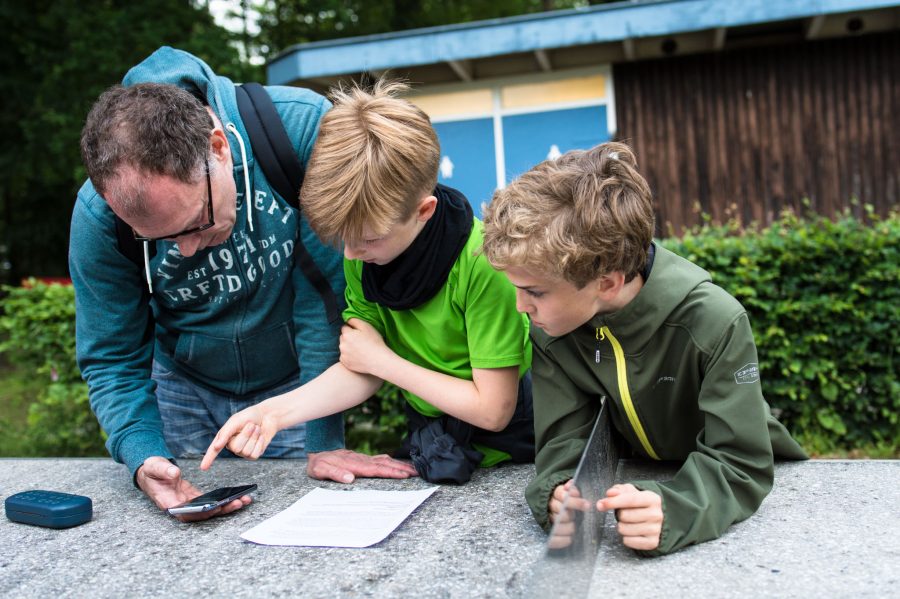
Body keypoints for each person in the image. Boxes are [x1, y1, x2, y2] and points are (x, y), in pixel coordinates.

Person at [71, 47, 415, 521]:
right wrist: (143, 454)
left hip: (293, 386)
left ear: (218, 148)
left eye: (195, 222)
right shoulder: (97, 216)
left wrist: (323, 440)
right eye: (159, 240)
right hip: (181, 388)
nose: (187, 250)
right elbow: (111, 354)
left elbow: (326, 299)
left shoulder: (299, 132)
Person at [480, 141, 807, 555]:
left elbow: (741, 462)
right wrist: (558, 489)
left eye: (535, 292)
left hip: (741, 479)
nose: (520, 307)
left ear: (608, 283)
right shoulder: (551, 330)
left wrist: (676, 508)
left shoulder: (715, 322)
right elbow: (563, 441)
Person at [201, 80, 534, 483]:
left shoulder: (483, 262)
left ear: (424, 210)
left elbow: (492, 409)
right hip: (436, 446)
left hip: (514, 455)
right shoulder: (364, 251)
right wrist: (273, 412)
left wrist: (385, 361)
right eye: (344, 239)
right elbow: (360, 366)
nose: (351, 256)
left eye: (369, 239)